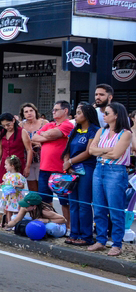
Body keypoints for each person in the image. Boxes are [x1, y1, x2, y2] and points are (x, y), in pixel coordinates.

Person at [88, 102, 132, 257]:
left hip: (116, 171)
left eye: (107, 113)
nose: (104, 116)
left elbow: (116, 155)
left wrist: (101, 152)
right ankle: (100, 240)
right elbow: (91, 150)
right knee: (99, 207)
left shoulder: (126, 133)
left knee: (115, 209)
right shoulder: (102, 130)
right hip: (99, 169)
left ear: (117, 115)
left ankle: (117, 244)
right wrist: (107, 150)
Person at [62, 102, 99, 246]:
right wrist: (67, 163)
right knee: (73, 203)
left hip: (86, 169)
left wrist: (70, 161)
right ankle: (74, 233)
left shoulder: (94, 130)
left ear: (87, 114)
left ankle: (86, 235)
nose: (75, 115)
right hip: (72, 170)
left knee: (84, 203)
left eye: (79, 112)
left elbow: (88, 152)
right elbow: (67, 149)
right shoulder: (74, 131)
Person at [31, 101, 73, 224]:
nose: (53, 112)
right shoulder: (50, 124)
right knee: (44, 199)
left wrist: (47, 135)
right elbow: (34, 138)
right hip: (44, 168)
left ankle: (68, 225)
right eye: (53, 110)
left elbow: (53, 133)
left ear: (65, 111)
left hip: (60, 169)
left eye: (56, 110)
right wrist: (48, 136)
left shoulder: (67, 124)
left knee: (64, 200)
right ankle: (52, 222)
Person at [0, 113, 33, 184]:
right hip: (5, 165)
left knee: (16, 187)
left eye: (8, 124)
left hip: (17, 165)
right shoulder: (2, 133)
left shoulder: (22, 132)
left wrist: (28, 167)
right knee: (4, 187)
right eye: (3, 125)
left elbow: (29, 149)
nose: (6, 127)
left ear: (14, 120)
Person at [20, 102, 47, 192]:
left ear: (35, 111)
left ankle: (44, 206)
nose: (29, 113)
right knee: (32, 188)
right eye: (26, 111)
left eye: (31, 110)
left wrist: (31, 142)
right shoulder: (21, 125)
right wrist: (34, 142)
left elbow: (49, 138)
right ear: (23, 114)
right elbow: (20, 141)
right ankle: (35, 206)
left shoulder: (44, 123)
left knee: (42, 187)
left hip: (42, 157)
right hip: (27, 158)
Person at [0, 155, 27, 227]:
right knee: (8, 209)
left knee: (15, 210)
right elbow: (5, 182)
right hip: (8, 195)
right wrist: (2, 184)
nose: (4, 166)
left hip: (15, 196)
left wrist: (16, 186)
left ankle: (15, 224)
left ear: (12, 166)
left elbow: (22, 186)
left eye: (6, 165)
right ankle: (8, 223)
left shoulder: (18, 176)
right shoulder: (6, 175)